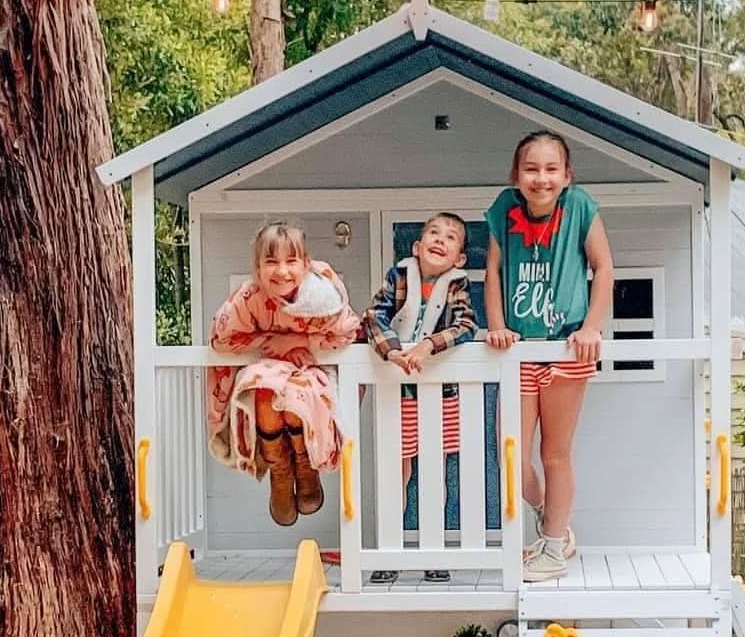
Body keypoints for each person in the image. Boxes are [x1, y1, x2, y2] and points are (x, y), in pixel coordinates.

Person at [484, 131, 614, 582]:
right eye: (531, 169)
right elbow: (493, 271)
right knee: (512, 456)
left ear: (567, 175)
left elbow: (603, 267)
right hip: (518, 351)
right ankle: (548, 517)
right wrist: (497, 324)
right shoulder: (504, 208)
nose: (541, 178)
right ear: (516, 175)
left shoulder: (579, 207)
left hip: (564, 347)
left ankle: (554, 549)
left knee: (555, 453)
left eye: (551, 169)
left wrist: (591, 326)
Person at [207, 221, 360, 527]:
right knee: (264, 390)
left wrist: (300, 342)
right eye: (271, 262)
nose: (282, 271)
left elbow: (348, 332)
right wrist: (270, 342)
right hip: (268, 372)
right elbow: (221, 339)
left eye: (291, 261)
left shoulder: (321, 296)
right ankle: (280, 470)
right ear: (257, 267)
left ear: (306, 264)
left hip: (311, 370)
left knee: (295, 397)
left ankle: (305, 465)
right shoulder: (249, 298)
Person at [363, 212, 477, 584]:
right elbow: (373, 317)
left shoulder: (457, 284)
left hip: (440, 393)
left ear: (459, 257)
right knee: (396, 470)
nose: (440, 240)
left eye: (451, 237)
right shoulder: (398, 276)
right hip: (398, 389)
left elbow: (466, 325)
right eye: (433, 233)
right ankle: (390, 550)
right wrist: (393, 351)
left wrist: (428, 345)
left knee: (434, 470)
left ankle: (433, 550)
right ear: (417, 246)